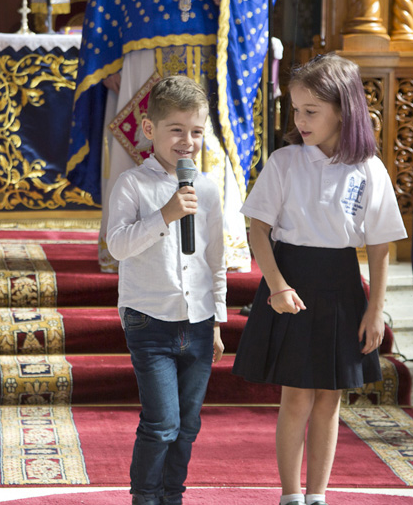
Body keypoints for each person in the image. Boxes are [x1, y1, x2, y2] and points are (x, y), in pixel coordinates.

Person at [232, 54, 407, 505]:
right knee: (295, 396)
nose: (300, 120)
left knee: (330, 399)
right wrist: (275, 285)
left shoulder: (368, 167)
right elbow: (258, 229)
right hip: (290, 283)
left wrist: (375, 309)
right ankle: (291, 495)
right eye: (295, 109)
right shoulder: (286, 161)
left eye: (312, 111)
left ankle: (317, 496)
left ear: (343, 111)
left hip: (342, 286)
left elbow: (382, 245)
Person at [67, 0, 278, 274]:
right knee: (139, 139)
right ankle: (132, 242)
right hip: (141, 47)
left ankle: (218, 246)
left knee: (207, 141)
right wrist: (107, 57)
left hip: (213, 50)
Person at [106, 76, 226, 505]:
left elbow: (216, 257)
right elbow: (117, 245)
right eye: (176, 129)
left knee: (188, 425)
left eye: (196, 131)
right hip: (149, 319)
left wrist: (218, 320)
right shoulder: (132, 185)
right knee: (161, 423)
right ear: (150, 129)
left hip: (198, 322)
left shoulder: (208, 187)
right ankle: (145, 498)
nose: (187, 141)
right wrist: (166, 215)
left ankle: (172, 496)